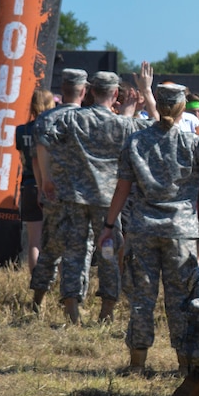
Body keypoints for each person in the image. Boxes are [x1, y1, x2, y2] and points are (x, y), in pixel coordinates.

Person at [100, 83, 199, 374]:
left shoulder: (136, 142)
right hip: (181, 233)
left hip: (142, 229)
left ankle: (137, 363)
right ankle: (184, 364)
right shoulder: (191, 143)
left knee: (141, 300)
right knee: (181, 300)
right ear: (183, 108)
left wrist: (109, 225)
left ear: (157, 105)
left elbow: (122, 188)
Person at [37, 68, 155, 325]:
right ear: (115, 94)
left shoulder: (73, 119)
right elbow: (159, 126)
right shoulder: (123, 123)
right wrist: (144, 93)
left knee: (74, 253)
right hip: (109, 203)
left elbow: (43, 140)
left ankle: (72, 309)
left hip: (75, 198)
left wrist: (46, 179)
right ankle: (107, 311)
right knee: (109, 256)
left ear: (90, 92)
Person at [30, 69, 89, 309]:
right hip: (82, 195)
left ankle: (38, 300)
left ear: (62, 90)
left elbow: (36, 157)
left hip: (53, 192)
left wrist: (43, 184)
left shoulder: (45, 119)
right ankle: (72, 303)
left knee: (50, 248)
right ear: (83, 91)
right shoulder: (87, 118)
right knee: (78, 252)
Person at [15, 89, 55, 272]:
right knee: (58, 240)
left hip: (29, 185)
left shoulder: (21, 130)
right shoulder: (54, 130)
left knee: (34, 241)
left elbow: (23, 154)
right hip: (51, 186)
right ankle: (60, 285)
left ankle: (35, 282)